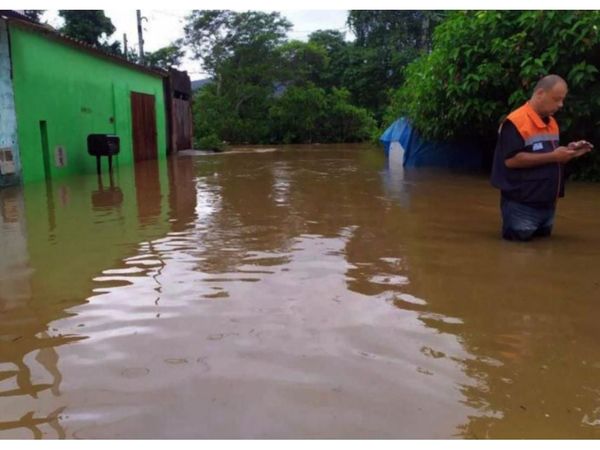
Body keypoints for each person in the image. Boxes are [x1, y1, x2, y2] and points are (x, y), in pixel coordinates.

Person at [490, 74, 593, 241]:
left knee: (542, 251)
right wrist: (554, 156)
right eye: (556, 99)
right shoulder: (515, 122)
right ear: (539, 94)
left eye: (562, 100)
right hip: (521, 206)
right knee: (517, 256)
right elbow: (511, 160)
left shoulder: (551, 122)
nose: (560, 105)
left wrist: (569, 152)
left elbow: (548, 155)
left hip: (547, 205)